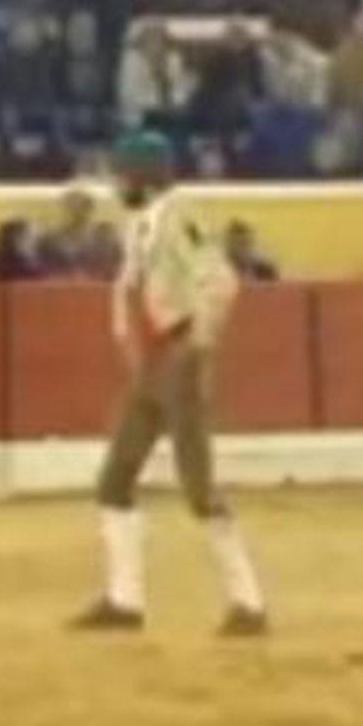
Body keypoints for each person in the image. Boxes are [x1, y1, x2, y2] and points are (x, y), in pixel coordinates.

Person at [73, 131, 268, 638]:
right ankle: (124, 601)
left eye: (124, 174)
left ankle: (248, 603)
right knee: (115, 480)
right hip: (154, 362)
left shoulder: (180, 214)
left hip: (177, 357)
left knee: (198, 487)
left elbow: (219, 279)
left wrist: (197, 345)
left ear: (148, 174)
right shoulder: (145, 223)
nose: (118, 184)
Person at [35, 180, 122, 279]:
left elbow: (115, 268)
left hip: (97, 288)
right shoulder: (49, 240)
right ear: (63, 206)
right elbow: (43, 270)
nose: (75, 209)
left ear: (89, 207)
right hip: (60, 289)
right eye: (70, 203)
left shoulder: (105, 237)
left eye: (80, 203)